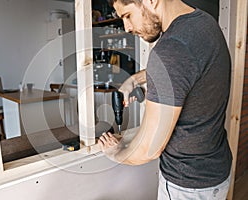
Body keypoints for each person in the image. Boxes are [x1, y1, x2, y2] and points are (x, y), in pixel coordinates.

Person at [98, 0, 232, 199]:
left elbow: (149, 149)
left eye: (127, 15)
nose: (126, 28)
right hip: (216, 172)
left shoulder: (170, 49)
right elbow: (188, 67)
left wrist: (116, 152)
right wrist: (135, 79)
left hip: (186, 186)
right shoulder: (204, 23)